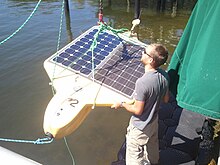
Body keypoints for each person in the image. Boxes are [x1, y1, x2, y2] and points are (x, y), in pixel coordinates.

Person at [111, 43, 170, 165]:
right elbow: (166, 99)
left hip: (140, 127)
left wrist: (121, 104)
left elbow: (138, 110)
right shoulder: (164, 75)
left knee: (134, 155)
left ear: (150, 60)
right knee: (152, 145)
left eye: (144, 52)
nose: (141, 53)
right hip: (153, 121)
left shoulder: (142, 82)